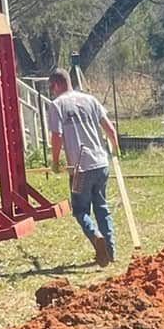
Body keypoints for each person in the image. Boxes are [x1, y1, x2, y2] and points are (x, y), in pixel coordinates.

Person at [47, 69, 121, 267]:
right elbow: (110, 129)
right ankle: (111, 250)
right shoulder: (90, 100)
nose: (51, 93)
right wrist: (115, 148)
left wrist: (55, 161)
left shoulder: (57, 105)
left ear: (56, 85)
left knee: (81, 210)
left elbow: (56, 136)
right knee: (102, 207)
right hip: (101, 164)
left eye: (51, 89)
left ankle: (96, 237)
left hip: (80, 169)